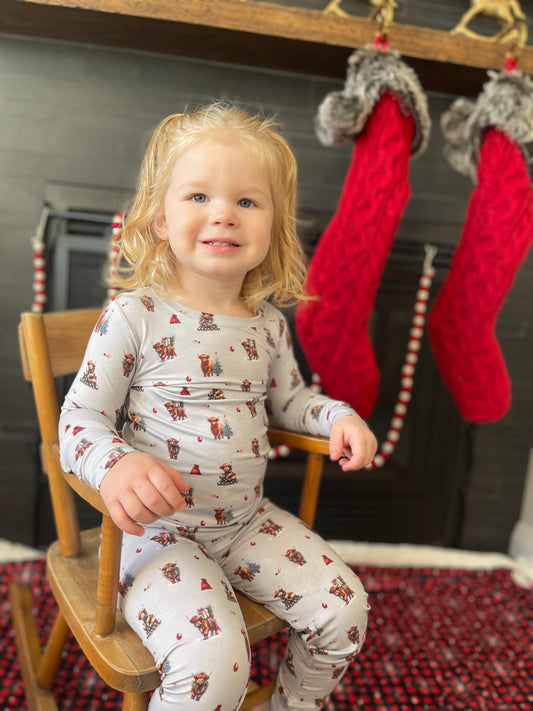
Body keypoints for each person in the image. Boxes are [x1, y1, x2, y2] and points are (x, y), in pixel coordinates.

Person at [59, 102, 377, 711]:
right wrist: (116, 464)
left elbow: (291, 401)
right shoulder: (136, 315)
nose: (223, 214)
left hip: (245, 523)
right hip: (156, 535)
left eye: (247, 202)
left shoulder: (265, 325)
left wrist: (334, 414)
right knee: (216, 663)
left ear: (272, 228)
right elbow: (78, 423)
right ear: (158, 218)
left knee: (345, 608)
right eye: (199, 196)